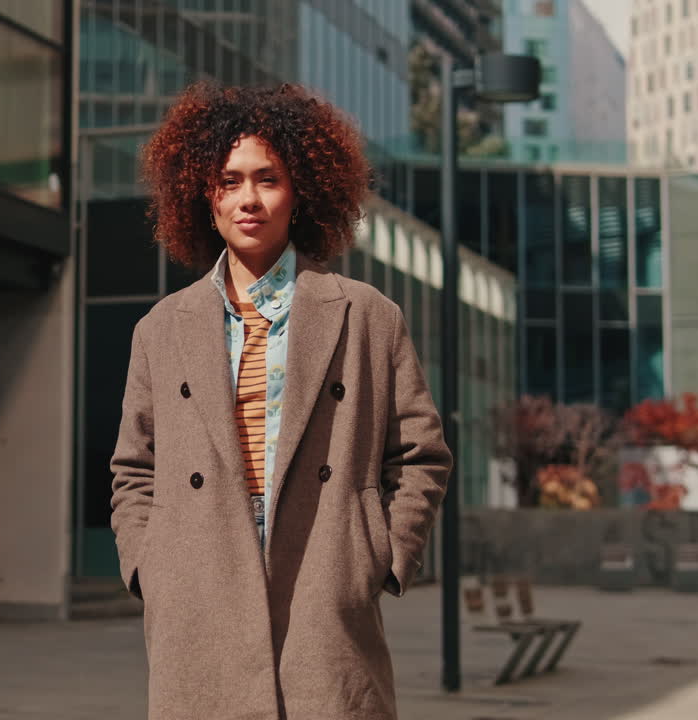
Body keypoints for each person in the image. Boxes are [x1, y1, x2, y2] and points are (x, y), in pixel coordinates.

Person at [109, 82, 453, 720]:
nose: (247, 198)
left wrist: (379, 554)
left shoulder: (367, 316)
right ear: (201, 193)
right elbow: (135, 467)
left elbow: (421, 453)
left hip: (324, 562)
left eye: (267, 178)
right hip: (199, 568)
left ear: (300, 193)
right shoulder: (161, 328)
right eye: (229, 179)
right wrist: (150, 568)